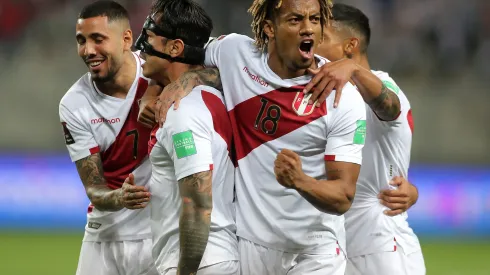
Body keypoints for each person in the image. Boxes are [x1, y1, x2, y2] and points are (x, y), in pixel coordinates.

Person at [146, 0, 368, 274]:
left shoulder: (342, 98)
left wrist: (300, 181)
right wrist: (174, 84)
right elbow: (177, 56)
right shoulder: (234, 53)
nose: (308, 28)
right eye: (295, 19)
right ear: (268, 28)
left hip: (315, 251)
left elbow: (344, 196)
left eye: (315, 19)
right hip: (251, 246)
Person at [315, 3, 425, 275]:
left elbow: (391, 108)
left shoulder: (381, 85)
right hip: (339, 245)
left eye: (322, 38)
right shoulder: (326, 96)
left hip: (383, 246)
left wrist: (352, 70)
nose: (312, 45)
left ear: (349, 46)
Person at [135, 0, 239, 274]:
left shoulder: (182, 111)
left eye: (148, 38)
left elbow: (198, 202)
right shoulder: (210, 95)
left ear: (175, 47)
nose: (139, 48)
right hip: (213, 258)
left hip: (200, 262)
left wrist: (186, 271)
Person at [58, 1, 156, 274]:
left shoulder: (159, 73)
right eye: (81, 41)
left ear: (126, 39)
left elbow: (210, 72)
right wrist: (120, 198)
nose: (88, 50)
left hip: (161, 235)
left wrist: (169, 90)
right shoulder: (74, 104)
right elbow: (95, 189)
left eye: (98, 39)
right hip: (105, 237)